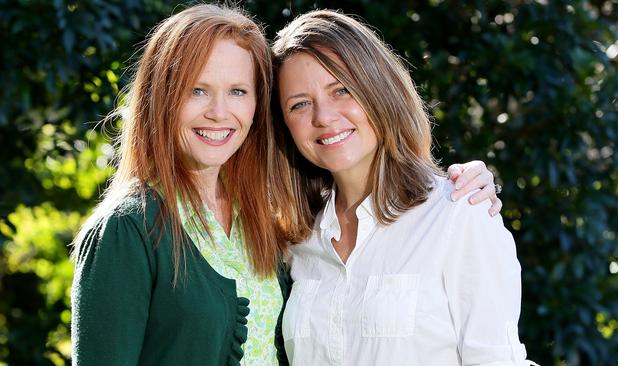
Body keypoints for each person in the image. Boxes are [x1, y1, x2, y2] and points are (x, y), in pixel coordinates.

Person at [71, 4, 502, 366]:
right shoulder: (128, 230)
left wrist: (458, 188)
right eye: (197, 90)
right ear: (161, 98)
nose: (220, 112)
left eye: (238, 91)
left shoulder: (267, 223)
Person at [271, 10, 534, 365]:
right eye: (299, 104)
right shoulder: (296, 237)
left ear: (378, 89)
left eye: (342, 90)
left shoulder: (458, 214)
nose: (323, 116)